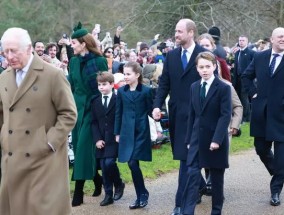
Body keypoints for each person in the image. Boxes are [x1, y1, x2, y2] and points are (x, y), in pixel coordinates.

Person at [0, 27, 77, 215]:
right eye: (5, 51)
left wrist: (49, 142)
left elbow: (69, 114)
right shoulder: (3, 78)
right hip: (12, 159)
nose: (9, 56)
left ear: (28, 49)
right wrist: (4, 138)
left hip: (44, 160)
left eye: (13, 51)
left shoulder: (53, 75)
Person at [152, 18, 206, 215]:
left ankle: (180, 203)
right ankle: (201, 185)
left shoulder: (203, 55)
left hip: (197, 116)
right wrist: (157, 105)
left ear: (191, 32)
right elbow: (164, 83)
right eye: (175, 31)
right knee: (186, 158)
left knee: (185, 160)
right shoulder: (172, 56)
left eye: (180, 31)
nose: (176, 35)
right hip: (176, 114)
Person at [181, 51, 231, 215]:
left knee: (216, 179)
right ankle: (187, 211)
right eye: (201, 67)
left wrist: (217, 139)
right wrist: (188, 138)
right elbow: (192, 115)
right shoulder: (194, 87)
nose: (204, 70)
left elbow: (225, 115)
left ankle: (216, 210)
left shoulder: (223, 87)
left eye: (208, 66)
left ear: (214, 66)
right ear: (196, 68)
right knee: (192, 173)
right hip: (196, 139)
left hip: (216, 139)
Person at [242, 27, 284, 207]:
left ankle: (275, 190)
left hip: (282, 115)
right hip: (262, 113)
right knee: (260, 149)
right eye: (280, 36)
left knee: (282, 157)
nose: (283, 39)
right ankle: (279, 173)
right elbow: (245, 76)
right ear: (272, 39)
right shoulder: (259, 57)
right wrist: (253, 93)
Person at [68, 22, 108, 207]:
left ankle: (78, 192)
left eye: (74, 43)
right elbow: (72, 86)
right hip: (76, 109)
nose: (71, 45)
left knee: (84, 148)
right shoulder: (73, 61)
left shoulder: (99, 61)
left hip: (92, 111)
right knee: (79, 148)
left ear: (83, 43)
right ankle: (97, 179)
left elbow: (103, 88)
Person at [114, 61, 152, 209]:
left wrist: (156, 115)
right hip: (126, 131)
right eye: (124, 74)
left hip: (141, 131)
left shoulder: (146, 91)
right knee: (131, 163)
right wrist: (117, 132)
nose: (126, 76)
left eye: (128, 74)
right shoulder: (122, 91)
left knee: (132, 162)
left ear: (137, 75)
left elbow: (150, 109)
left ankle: (142, 195)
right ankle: (142, 194)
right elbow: (118, 113)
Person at [91, 72, 125, 207]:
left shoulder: (118, 100)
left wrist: (120, 133)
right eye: (99, 85)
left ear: (112, 84)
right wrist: (97, 139)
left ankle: (118, 183)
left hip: (114, 138)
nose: (101, 87)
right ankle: (108, 194)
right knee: (104, 166)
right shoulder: (95, 101)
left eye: (104, 84)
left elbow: (122, 118)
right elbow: (93, 122)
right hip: (101, 140)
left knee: (110, 163)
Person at [233, 35, 255, 122]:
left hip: (246, 79)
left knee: (244, 97)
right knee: (238, 97)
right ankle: (243, 116)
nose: (241, 42)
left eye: (243, 40)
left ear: (247, 41)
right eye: (240, 40)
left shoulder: (251, 52)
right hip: (237, 78)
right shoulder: (237, 53)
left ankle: (246, 117)